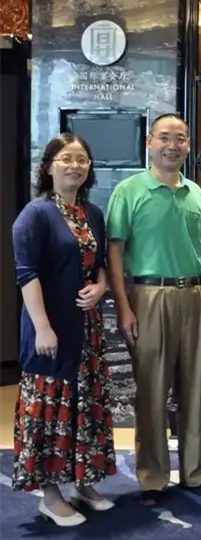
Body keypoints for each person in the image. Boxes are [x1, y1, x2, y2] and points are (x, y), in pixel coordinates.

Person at [106, 113, 201, 506]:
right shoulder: (129, 191)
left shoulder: (196, 192)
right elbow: (115, 251)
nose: (173, 145)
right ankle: (153, 477)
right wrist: (124, 307)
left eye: (181, 138)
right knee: (152, 392)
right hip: (149, 295)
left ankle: (196, 471)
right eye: (165, 137)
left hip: (194, 295)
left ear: (188, 145)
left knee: (195, 389)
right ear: (149, 142)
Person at [10, 133, 116, 526]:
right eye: (66, 158)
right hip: (49, 328)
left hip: (87, 330)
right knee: (51, 409)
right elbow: (26, 275)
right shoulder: (35, 214)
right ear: (49, 166)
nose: (75, 166)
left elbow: (100, 265)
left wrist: (101, 287)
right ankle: (51, 496)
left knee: (85, 405)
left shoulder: (93, 213)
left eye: (82, 159)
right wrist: (42, 327)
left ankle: (83, 482)